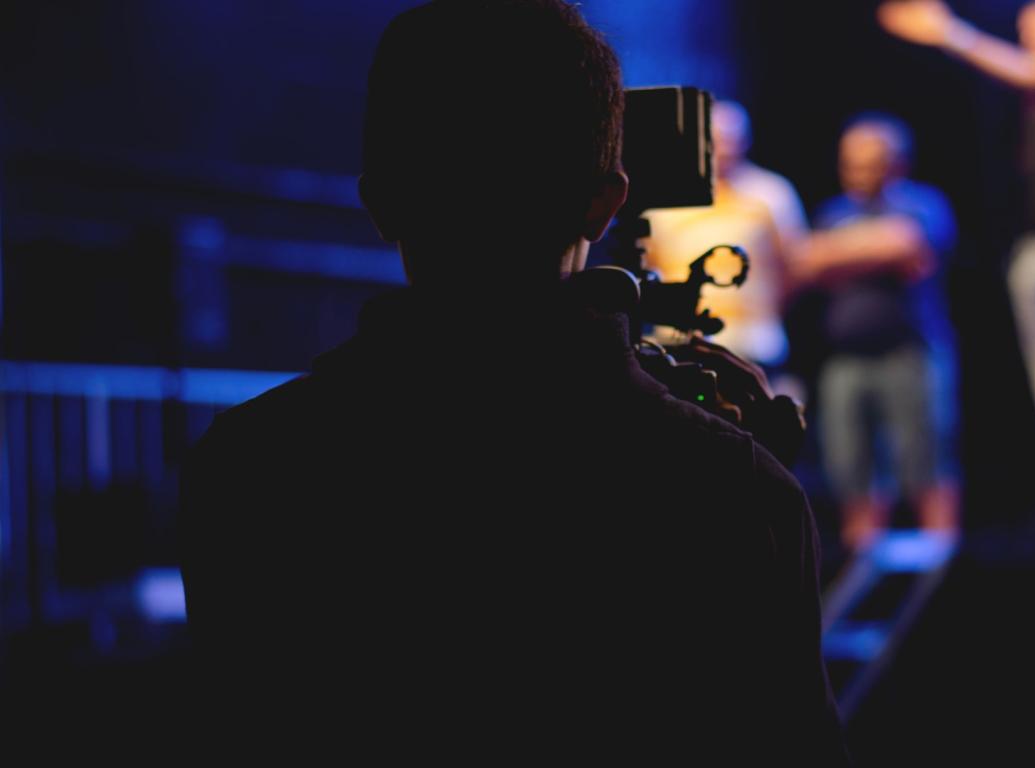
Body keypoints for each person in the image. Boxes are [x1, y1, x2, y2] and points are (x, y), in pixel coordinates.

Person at [177, 2, 848, 761]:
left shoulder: (246, 464)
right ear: (606, 204)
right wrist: (757, 498)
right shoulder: (733, 489)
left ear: (380, 203)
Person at [880, 0, 1035, 441]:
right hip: (1030, 248)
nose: (1033, 42)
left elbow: (1033, 71)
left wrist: (950, 32)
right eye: (1025, 33)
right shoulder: (1022, 98)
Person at [792, 115, 959, 548]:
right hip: (846, 359)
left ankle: (941, 563)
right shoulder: (833, 212)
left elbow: (906, 245)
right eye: (851, 163)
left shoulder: (924, 204)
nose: (858, 173)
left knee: (924, 463)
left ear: (897, 164)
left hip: (910, 352)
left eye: (870, 164)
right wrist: (867, 250)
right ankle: (863, 566)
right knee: (851, 471)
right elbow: (806, 261)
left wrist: (838, 254)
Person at [644, 100, 808, 370]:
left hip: (754, 342)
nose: (723, 149)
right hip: (681, 344)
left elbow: (792, 265)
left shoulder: (772, 193)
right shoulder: (666, 197)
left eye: (731, 140)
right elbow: (651, 264)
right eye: (715, 140)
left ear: (745, 141)